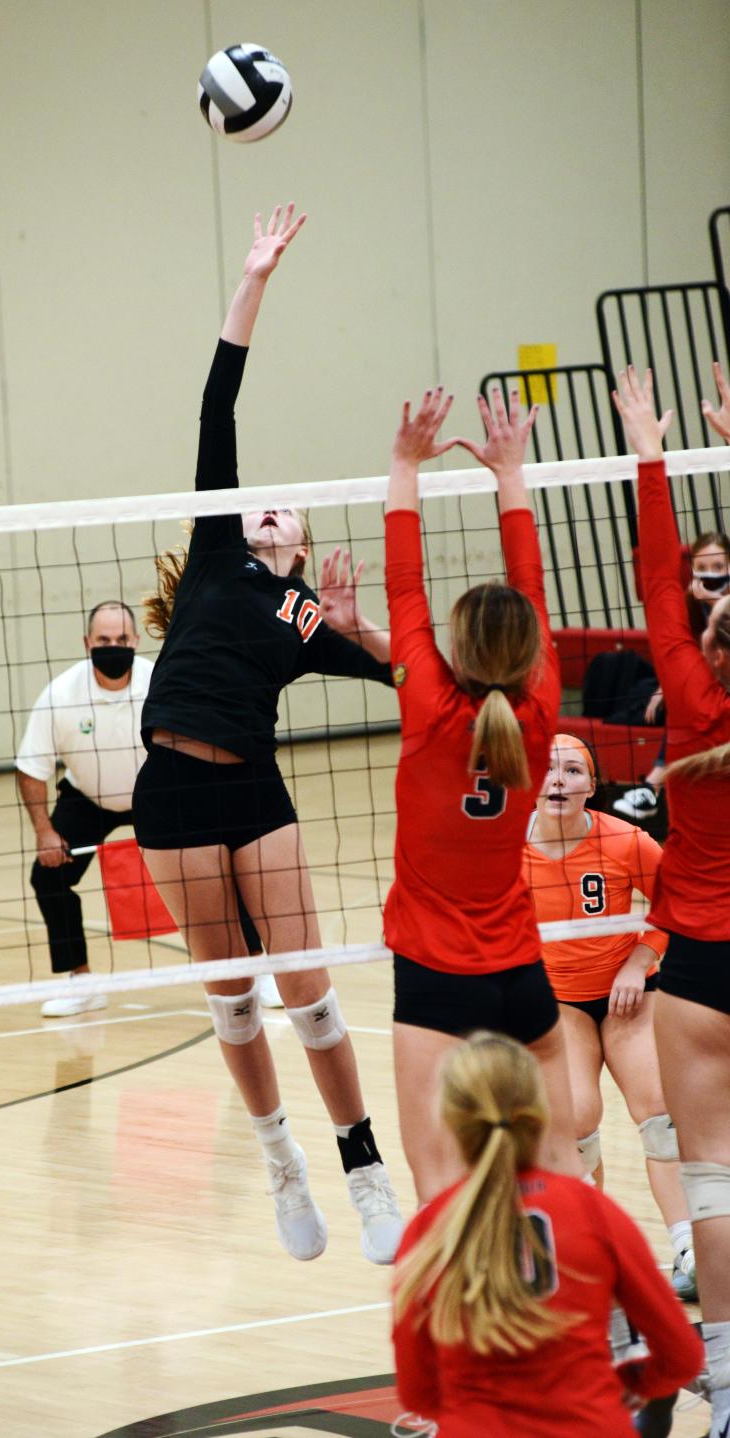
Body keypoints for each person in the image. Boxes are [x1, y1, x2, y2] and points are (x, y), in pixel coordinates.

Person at [133, 204, 403, 1265]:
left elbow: (408, 670)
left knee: (308, 987)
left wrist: (354, 623)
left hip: (253, 791)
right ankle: (279, 1155)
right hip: (170, 793)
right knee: (232, 996)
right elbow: (218, 401)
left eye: (284, 513)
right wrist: (254, 277)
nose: (267, 513)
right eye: (260, 507)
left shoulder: (302, 618)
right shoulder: (211, 554)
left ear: (300, 542)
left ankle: (363, 1163)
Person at [381, 385, 578, 1202]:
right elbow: (528, 589)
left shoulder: (429, 707)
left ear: (455, 649)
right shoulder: (540, 709)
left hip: (434, 976)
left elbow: (402, 588)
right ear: (531, 651)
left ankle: (460, 1325)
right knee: (561, 1169)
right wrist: (511, 474)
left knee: (439, 1181)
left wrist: (403, 462)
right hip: (522, 973)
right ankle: (596, 1318)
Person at [391, 1031, 703, 1438]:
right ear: (541, 1111)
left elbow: (416, 1393)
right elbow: (681, 1355)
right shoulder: (591, 1211)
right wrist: (627, 1391)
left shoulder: (431, 1226)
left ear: (449, 1119)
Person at [612, 361, 730, 1438]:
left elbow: (658, 578)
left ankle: (729, 1391)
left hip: (696, 962)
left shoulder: (690, 703)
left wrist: (653, 450)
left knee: (712, 1183)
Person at [16, 600, 276, 1015]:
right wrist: (45, 832)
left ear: (136, 641)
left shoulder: (162, 680)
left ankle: (257, 971)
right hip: (89, 797)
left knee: (222, 864)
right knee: (47, 877)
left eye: (121, 639)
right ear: (88, 643)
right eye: (104, 640)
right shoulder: (60, 694)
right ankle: (80, 981)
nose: (113, 646)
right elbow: (31, 769)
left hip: (160, 790)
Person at [523, 734, 696, 1299]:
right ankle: (589, 1248)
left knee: (660, 1115)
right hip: (559, 1003)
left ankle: (690, 1249)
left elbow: (678, 901)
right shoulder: (503, 850)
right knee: (574, 1122)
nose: (558, 780)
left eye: (573, 771)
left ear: (591, 788)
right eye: (548, 770)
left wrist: (640, 960)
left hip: (630, 995)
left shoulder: (626, 840)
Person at [614, 529, 730, 822]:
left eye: (718, 567)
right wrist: (667, 687)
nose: (711, 574)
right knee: (681, 706)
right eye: (703, 567)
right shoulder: (690, 604)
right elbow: (686, 655)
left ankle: (652, 785)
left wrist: (719, 604)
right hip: (707, 692)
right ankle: (651, 790)